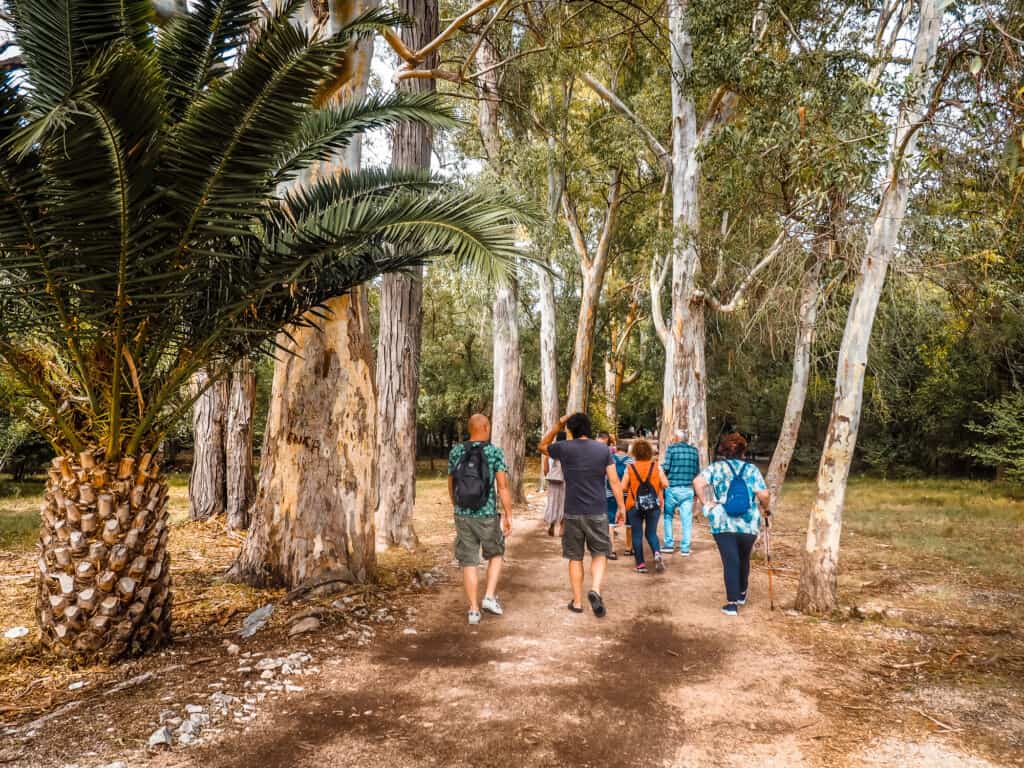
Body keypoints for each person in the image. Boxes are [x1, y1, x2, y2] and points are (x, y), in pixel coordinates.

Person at [539, 413, 625, 618]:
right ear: (588, 428)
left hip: (572, 511)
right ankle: (594, 589)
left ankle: (577, 602)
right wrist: (621, 506)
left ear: (570, 430)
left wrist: (557, 426)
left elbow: (542, 446)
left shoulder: (564, 448)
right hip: (597, 510)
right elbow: (613, 481)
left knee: (575, 557)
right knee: (599, 553)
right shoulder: (603, 449)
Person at [693, 432, 771, 616]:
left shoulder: (716, 468)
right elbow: (764, 495)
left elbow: (698, 482)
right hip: (748, 523)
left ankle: (732, 603)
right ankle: (742, 592)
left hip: (722, 522)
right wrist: (766, 508)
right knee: (743, 558)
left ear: (724, 450)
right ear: (744, 451)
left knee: (730, 560)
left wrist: (708, 503)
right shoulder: (752, 470)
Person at [448, 413, 513, 625]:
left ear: (469, 428)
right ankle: (489, 596)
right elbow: (502, 486)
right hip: (487, 514)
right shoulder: (494, 452)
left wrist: (456, 505)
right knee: (496, 553)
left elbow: (451, 483)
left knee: (469, 561)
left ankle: (473, 611)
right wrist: (508, 515)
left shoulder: (456, 451)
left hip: (463, 514)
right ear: (486, 427)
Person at [623, 439, 667, 573]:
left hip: (633, 504)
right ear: (650, 452)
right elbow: (665, 483)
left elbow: (623, 487)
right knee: (651, 533)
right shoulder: (656, 466)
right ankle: (657, 553)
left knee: (637, 534)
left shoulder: (630, 468)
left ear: (635, 453)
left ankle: (640, 564)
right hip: (653, 504)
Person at [661, 429, 701, 556]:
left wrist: (659, 469)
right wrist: (696, 493)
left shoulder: (671, 449)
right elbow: (696, 471)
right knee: (686, 519)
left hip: (672, 488)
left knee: (668, 517)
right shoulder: (694, 451)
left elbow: (666, 467)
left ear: (677, 438)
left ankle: (669, 545)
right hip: (688, 489)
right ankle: (685, 548)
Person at [610, 440, 633, 557]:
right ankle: (628, 548)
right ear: (627, 449)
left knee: (610, 522)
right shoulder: (631, 461)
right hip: (627, 495)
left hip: (610, 493)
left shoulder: (609, 459)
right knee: (629, 522)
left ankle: (611, 549)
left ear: (616, 448)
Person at [543, 431, 568, 537]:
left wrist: (548, 476)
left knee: (552, 501)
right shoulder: (567, 452)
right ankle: (562, 528)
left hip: (552, 479)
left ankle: (552, 525)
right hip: (564, 480)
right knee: (563, 502)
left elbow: (545, 469)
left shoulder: (550, 451)